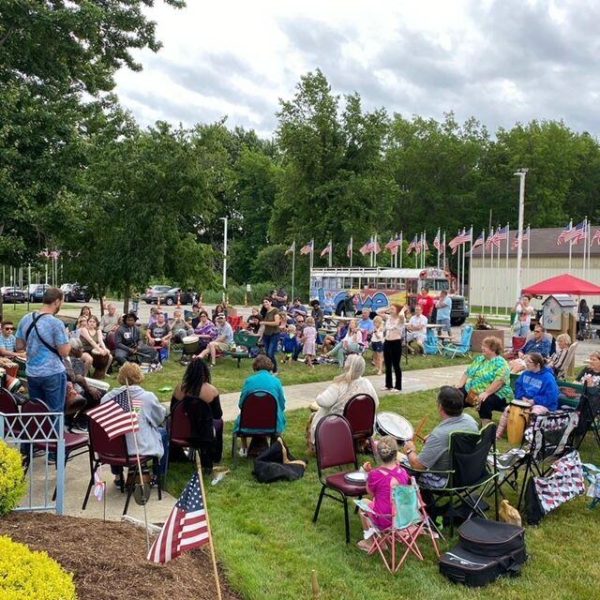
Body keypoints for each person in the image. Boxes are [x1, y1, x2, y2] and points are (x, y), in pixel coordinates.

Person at [102, 362, 167, 486]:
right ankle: (158, 475)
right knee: (163, 433)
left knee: (117, 436)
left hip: (112, 448)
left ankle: (117, 475)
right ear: (139, 376)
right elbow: (159, 419)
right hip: (138, 446)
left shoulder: (107, 398)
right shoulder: (147, 397)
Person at [402, 386, 478, 488]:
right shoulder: (470, 421)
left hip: (445, 481)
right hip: (469, 474)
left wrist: (410, 450)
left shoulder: (440, 435)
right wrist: (434, 439)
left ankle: (423, 501)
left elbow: (418, 466)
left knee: (401, 466)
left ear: (440, 407)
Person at [15, 288, 71, 413]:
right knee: (55, 412)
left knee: (37, 411)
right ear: (56, 302)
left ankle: (39, 433)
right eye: (62, 302)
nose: (61, 305)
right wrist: (68, 340)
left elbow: (19, 346)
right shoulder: (56, 323)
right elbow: (64, 352)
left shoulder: (26, 319)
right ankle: (54, 433)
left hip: (32, 373)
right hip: (53, 372)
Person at [309, 354, 378, 446]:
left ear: (347, 367)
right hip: (362, 426)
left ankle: (321, 442)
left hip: (339, 426)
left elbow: (323, 401)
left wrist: (319, 395)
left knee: (321, 412)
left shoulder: (340, 384)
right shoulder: (367, 384)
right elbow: (375, 403)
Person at [170, 358, 223, 472]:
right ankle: (214, 456)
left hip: (180, 431)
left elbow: (173, 411)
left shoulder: (179, 389)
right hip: (203, 433)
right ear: (205, 372)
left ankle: (175, 454)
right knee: (220, 422)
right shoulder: (211, 391)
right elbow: (217, 415)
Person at [357, 436, 409, 552]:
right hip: (403, 517)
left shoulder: (375, 474)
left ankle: (370, 542)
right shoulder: (403, 472)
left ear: (378, 454)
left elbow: (371, 493)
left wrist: (367, 474)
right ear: (396, 453)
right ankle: (383, 540)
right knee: (383, 502)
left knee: (363, 504)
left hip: (385, 518)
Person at [496, 353, 560, 440]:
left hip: (543, 405)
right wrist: (522, 397)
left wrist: (534, 401)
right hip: (525, 401)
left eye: (529, 362)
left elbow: (551, 397)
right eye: (526, 361)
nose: (526, 364)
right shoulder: (526, 373)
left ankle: (531, 440)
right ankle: (497, 435)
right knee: (508, 409)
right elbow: (519, 386)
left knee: (534, 414)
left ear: (537, 364)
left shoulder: (548, 378)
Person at [234, 355, 287, 456]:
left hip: (248, 423)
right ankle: (275, 446)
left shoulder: (249, 381)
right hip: (272, 424)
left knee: (241, 417)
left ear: (255, 367)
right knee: (280, 416)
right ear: (270, 367)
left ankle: (244, 448)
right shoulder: (276, 381)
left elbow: (241, 404)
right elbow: (282, 404)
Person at [456, 336, 514, 424]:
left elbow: (499, 382)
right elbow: (467, 372)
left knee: (485, 400)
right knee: (456, 395)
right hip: (473, 390)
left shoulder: (501, 363)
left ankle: (486, 426)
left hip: (497, 393)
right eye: (482, 345)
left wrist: (486, 393)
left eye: (485, 346)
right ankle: (454, 420)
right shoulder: (480, 359)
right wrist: (460, 385)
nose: (482, 348)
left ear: (493, 349)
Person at [378, 304, 405, 393]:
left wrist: (402, 309)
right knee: (388, 364)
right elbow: (378, 312)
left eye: (393, 309)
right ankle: (388, 385)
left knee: (396, 365)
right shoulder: (388, 317)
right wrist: (387, 308)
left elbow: (401, 315)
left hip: (396, 343)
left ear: (397, 310)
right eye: (391, 308)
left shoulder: (400, 319)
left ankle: (398, 386)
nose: (391, 310)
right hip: (387, 342)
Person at [261, 297, 281, 373]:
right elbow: (263, 326)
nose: (265, 304)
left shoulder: (275, 310)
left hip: (274, 334)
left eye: (266, 302)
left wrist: (264, 322)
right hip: (266, 334)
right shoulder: (265, 312)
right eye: (264, 302)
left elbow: (276, 323)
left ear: (270, 302)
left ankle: (275, 370)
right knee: (267, 353)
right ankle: (269, 369)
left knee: (270, 353)